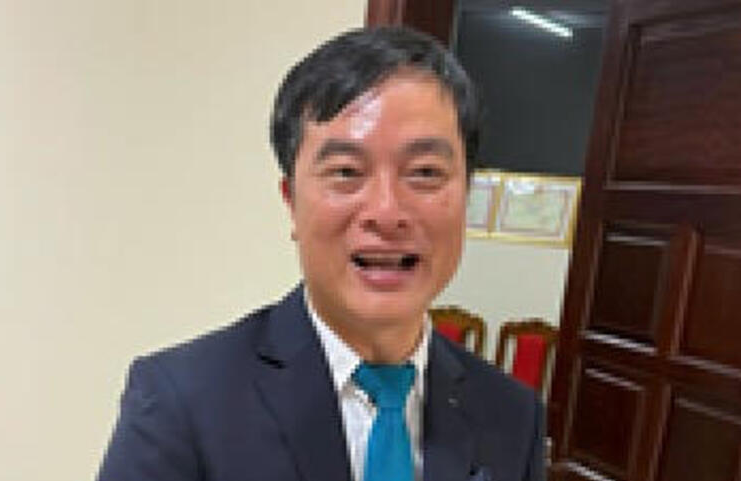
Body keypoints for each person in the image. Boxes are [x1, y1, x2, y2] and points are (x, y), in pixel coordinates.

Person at [97, 26, 545, 481]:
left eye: (425, 172)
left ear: (466, 194)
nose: (387, 212)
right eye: (347, 171)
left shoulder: (513, 415)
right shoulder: (182, 402)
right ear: (291, 201)